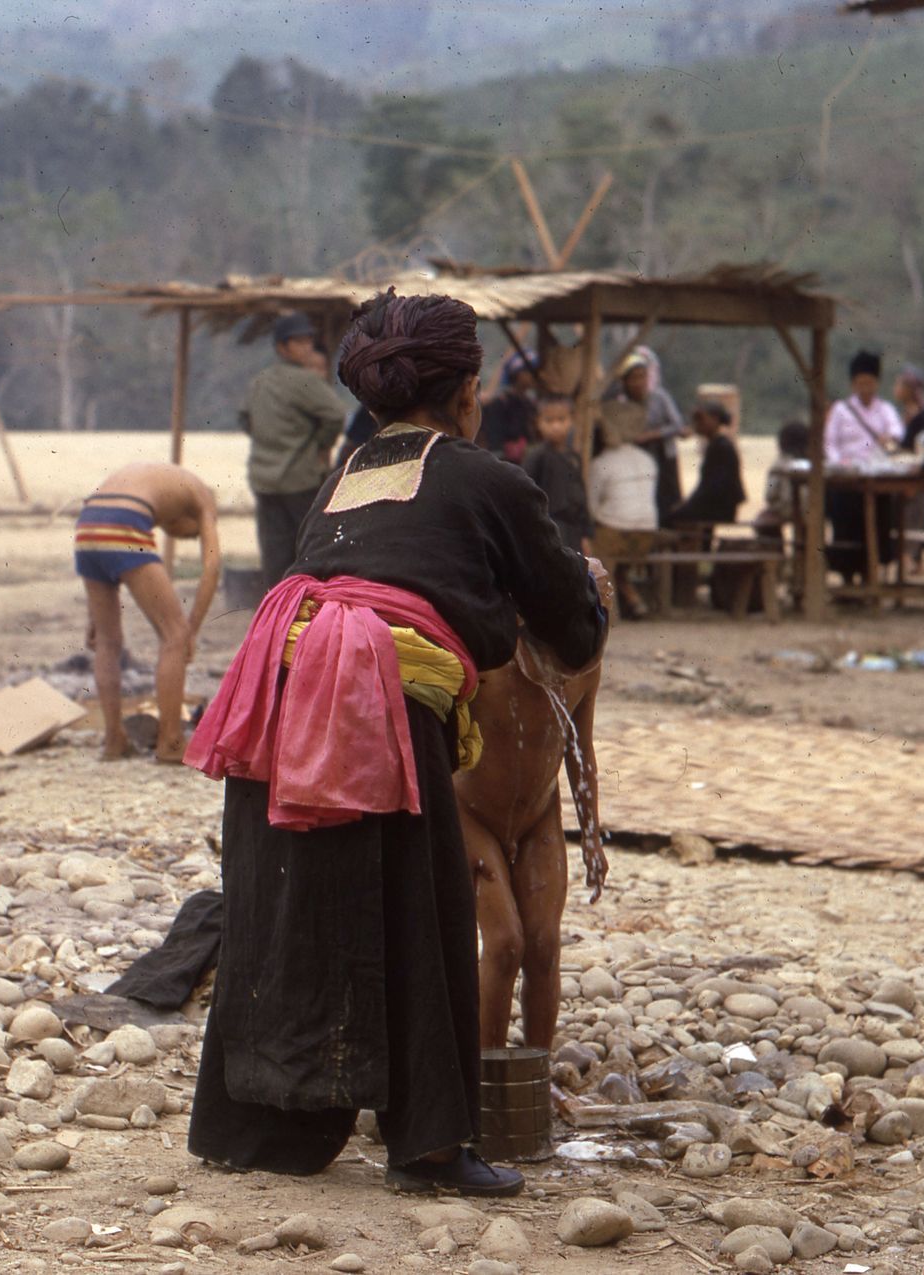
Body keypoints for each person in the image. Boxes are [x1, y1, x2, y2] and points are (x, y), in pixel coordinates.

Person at [184, 289, 610, 1198]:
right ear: (467, 393)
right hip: (376, 703)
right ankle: (429, 1148)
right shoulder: (491, 480)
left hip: (276, 692)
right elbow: (572, 632)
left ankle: (251, 1128)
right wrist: (591, 587)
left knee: (285, 903)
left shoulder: (341, 479)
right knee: (424, 912)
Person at [455, 633, 602, 1055]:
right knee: (504, 943)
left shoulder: (583, 659)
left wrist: (591, 835)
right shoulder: (485, 656)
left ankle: (535, 1076)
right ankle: (487, 1072)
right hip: (470, 813)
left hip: (538, 817)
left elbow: (580, 750)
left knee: (543, 945)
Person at [69, 462, 221, 762]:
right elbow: (212, 566)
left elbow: (103, 526)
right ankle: (171, 742)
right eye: (191, 534)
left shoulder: (159, 478)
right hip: (125, 521)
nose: (181, 536)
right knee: (174, 636)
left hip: (86, 526)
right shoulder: (203, 497)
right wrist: (190, 630)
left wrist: (93, 617)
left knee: (107, 641)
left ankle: (113, 741)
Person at [244, 313, 346, 590]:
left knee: (275, 555)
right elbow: (336, 415)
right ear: (282, 347)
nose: (307, 347)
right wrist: (321, 444)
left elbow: (245, 418)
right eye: (299, 342)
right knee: (312, 550)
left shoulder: (261, 380)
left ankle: (277, 606)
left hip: (265, 480)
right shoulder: (304, 380)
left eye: (308, 340)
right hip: (300, 479)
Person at [823, 350, 905, 582]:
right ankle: (847, 579)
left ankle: (871, 575)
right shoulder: (841, 410)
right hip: (847, 480)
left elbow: (897, 431)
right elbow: (829, 442)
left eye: (869, 383)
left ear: (877, 383)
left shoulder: (885, 409)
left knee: (876, 529)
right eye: (860, 383)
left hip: (876, 479)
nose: (865, 388)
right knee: (846, 530)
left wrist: (889, 437)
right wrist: (839, 464)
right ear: (853, 384)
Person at [587, 419, 665, 618]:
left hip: (615, 533)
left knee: (595, 554)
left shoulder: (601, 463)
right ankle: (633, 599)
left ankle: (609, 610)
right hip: (647, 532)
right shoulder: (647, 460)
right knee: (620, 565)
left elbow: (591, 506)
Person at [608, 348, 686, 520]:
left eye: (642, 376)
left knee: (667, 500)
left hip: (663, 456)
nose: (638, 382)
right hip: (634, 458)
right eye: (633, 378)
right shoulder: (620, 403)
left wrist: (652, 435)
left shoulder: (659, 397)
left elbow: (677, 425)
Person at [520, 394, 591, 552]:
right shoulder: (536, 456)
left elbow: (580, 496)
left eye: (561, 419)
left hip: (573, 529)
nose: (556, 426)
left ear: (571, 420)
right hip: (548, 528)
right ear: (538, 422)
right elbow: (525, 495)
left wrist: (585, 534)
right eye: (549, 421)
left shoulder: (574, 457)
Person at [668, 401, 747, 528]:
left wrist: (689, 504)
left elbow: (713, 487)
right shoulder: (716, 444)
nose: (697, 424)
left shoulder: (721, 446)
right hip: (715, 505)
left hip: (720, 508)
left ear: (715, 419)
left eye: (700, 419)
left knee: (670, 518)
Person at [893, 364, 924, 562]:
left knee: (916, 514)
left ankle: (914, 557)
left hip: (916, 471)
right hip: (911, 469)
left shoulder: (921, 415)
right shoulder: (910, 413)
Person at [477, 349, 538, 463]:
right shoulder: (500, 403)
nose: (534, 375)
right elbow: (495, 441)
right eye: (529, 371)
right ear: (518, 374)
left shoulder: (530, 404)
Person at [755, 420, 811, 541]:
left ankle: (776, 550)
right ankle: (806, 548)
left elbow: (770, 494)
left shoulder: (779, 463)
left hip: (785, 508)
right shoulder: (814, 463)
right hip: (812, 510)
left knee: (762, 520)